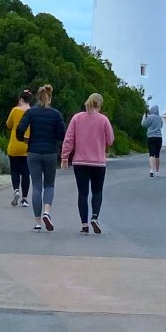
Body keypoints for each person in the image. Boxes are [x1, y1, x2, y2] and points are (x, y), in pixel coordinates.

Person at [61, 92, 116, 234]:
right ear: (100, 104)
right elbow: (110, 140)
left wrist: (65, 157)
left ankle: (84, 224)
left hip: (80, 162)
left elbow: (69, 139)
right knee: (97, 192)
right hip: (98, 162)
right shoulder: (103, 120)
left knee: (82, 193)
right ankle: (95, 217)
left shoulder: (77, 118)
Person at [15, 83, 67, 231]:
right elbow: (62, 134)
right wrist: (54, 141)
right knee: (49, 185)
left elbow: (19, 129)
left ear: (37, 97)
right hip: (50, 152)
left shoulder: (31, 113)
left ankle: (38, 222)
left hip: (33, 152)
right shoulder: (56, 114)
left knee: (36, 186)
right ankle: (47, 212)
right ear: (49, 97)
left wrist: (24, 139)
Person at [5, 87, 34, 207]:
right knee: (26, 173)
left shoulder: (15, 110)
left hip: (15, 144)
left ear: (21, 99)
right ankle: (25, 198)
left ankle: (16, 190)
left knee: (14, 170)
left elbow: (8, 124)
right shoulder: (32, 112)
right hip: (27, 145)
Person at [143, 97, 164, 176]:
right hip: (159, 137)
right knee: (157, 154)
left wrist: (144, 116)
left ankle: (152, 170)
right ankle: (157, 171)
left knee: (151, 153)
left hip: (151, 136)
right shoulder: (160, 118)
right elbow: (161, 126)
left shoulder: (150, 117)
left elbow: (144, 124)